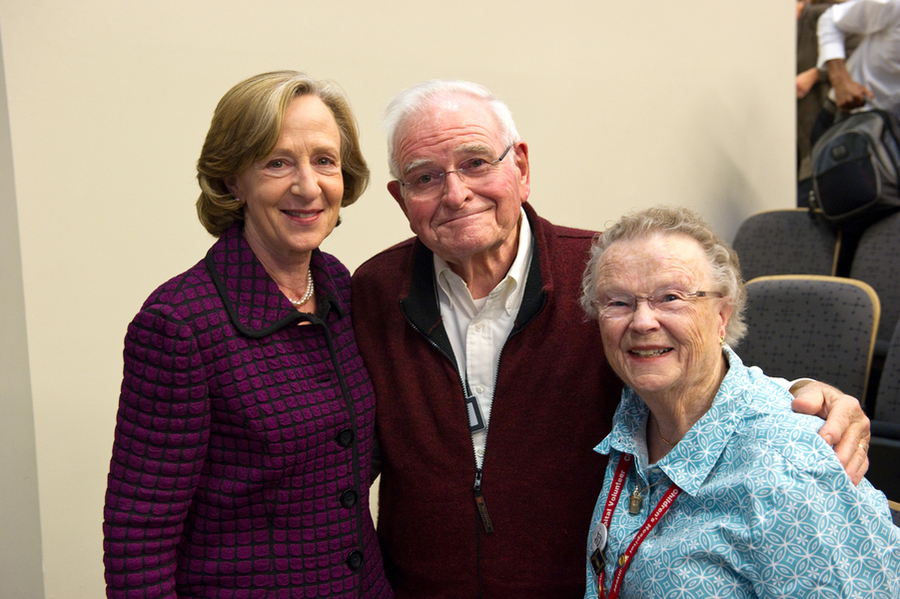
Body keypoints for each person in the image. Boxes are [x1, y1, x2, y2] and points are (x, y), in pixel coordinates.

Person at [350, 80, 873, 599]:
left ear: (522, 167)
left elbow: (693, 367)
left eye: (476, 163)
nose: (456, 193)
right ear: (400, 197)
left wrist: (799, 398)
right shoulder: (373, 293)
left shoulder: (607, 278)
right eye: (425, 177)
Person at [103, 71, 392, 599]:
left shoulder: (340, 287)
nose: (308, 186)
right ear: (234, 179)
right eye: (277, 162)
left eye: (324, 160)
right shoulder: (179, 324)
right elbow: (138, 536)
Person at [580, 206, 900, 598]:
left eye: (671, 297)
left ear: (721, 316)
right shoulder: (632, 414)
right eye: (618, 303)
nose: (643, 321)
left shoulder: (792, 470)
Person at [817, 0, 900, 117]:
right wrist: (840, 81)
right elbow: (830, 20)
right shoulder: (893, 4)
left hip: (893, 127)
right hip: (849, 114)